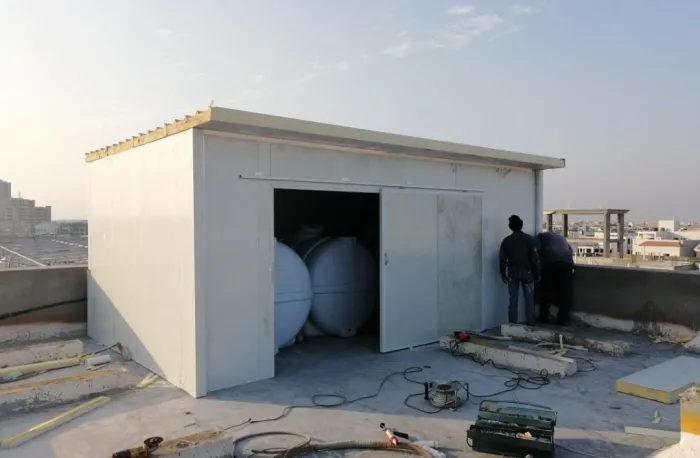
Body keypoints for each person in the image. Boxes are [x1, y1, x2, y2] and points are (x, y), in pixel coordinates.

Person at [499, 215, 540, 326]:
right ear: (521, 225)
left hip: (512, 272)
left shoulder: (506, 241)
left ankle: (512, 325)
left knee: (513, 299)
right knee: (529, 299)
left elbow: (502, 259)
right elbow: (535, 258)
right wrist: (537, 272)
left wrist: (503, 273)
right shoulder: (529, 239)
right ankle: (530, 325)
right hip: (527, 272)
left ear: (510, 227)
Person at [535, 231, 575, 325]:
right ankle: (563, 319)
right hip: (567, 264)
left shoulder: (540, 237)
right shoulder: (561, 238)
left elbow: (535, 251)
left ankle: (544, 316)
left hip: (551, 263)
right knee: (565, 292)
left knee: (546, 290)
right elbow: (570, 250)